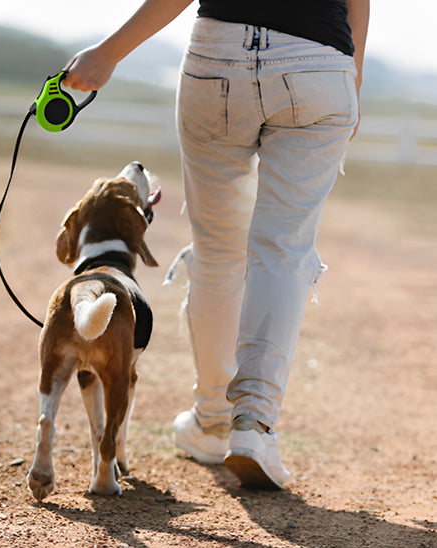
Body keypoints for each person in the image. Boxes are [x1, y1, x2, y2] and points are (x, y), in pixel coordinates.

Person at [62, 0, 370, 489]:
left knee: (216, 251)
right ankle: (253, 424)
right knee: (283, 252)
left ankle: (211, 420)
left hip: (218, 56)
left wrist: (109, 53)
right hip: (320, 63)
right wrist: (349, 80)